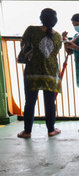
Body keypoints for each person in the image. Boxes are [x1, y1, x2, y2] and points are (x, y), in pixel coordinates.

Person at [17, 8, 62, 138]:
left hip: (33, 72)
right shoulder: (58, 36)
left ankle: (27, 132)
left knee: (30, 102)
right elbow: (55, 51)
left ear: (41, 18)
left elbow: (23, 45)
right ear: (55, 21)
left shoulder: (31, 30)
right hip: (50, 72)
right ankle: (51, 130)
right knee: (49, 102)